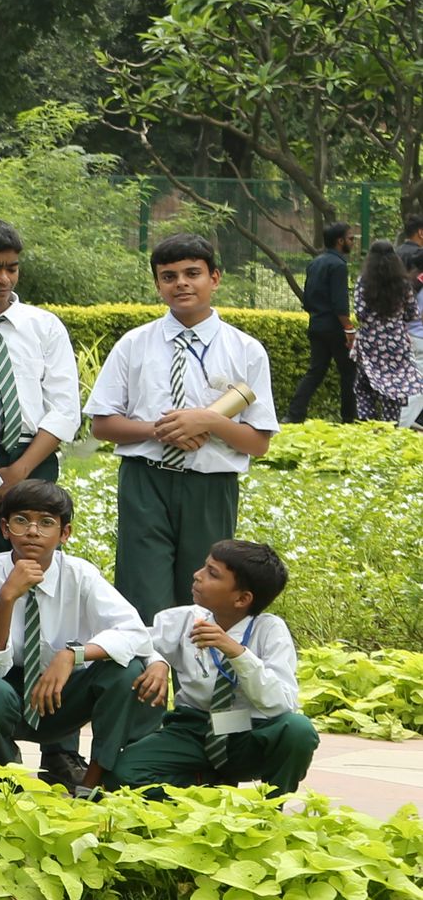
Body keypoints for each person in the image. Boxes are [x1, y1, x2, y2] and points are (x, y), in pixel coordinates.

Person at [85, 233, 279, 620]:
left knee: (205, 594)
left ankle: (197, 661)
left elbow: (258, 443)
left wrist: (209, 420)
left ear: (215, 278)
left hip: (210, 487)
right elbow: (102, 425)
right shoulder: (134, 344)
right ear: (158, 284)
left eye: (193, 273)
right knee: (143, 592)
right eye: (169, 276)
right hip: (145, 482)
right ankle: (147, 659)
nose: (181, 284)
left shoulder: (245, 350)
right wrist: (158, 430)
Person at [93, 539, 319, 795]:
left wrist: (237, 653)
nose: (197, 575)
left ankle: (271, 808)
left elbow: (282, 704)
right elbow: (135, 640)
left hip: (248, 731)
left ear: (242, 598)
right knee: (123, 776)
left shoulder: (270, 630)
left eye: (212, 573)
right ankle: (208, 787)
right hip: (193, 729)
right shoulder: (186, 619)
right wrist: (158, 661)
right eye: (204, 566)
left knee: (298, 731)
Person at [0, 477, 140, 787]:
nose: (32, 531)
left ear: (64, 533)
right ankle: (6, 770)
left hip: (63, 694)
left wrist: (72, 655)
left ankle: (93, 782)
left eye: (46, 523)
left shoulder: (80, 574)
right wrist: (6, 598)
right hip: (9, 690)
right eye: (21, 520)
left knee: (127, 672)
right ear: (5, 528)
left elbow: (134, 632)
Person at [0, 220, 82, 504]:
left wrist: (20, 470)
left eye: (12, 268)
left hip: (32, 455)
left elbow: (64, 409)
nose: (4, 279)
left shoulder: (44, 326)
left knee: (28, 530)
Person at [292, 222, 359, 422]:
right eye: (350, 238)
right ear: (340, 241)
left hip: (316, 324)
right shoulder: (339, 266)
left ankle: (293, 415)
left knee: (316, 372)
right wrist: (349, 328)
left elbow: (307, 298)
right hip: (335, 327)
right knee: (349, 373)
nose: (353, 242)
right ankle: (349, 419)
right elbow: (340, 303)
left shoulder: (315, 263)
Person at [352, 238, 421, 425]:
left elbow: (359, 313)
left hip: (370, 342)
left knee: (364, 387)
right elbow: (412, 314)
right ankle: (390, 426)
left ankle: (368, 423)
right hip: (396, 342)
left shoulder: (363, 282)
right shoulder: (403, 283)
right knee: (394, 388)